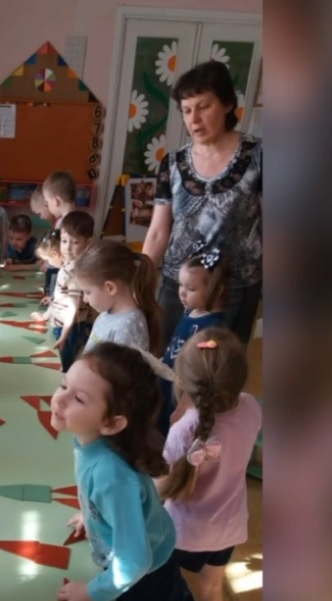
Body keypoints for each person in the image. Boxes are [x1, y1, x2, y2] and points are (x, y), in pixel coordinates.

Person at [52, 343, 204, 601]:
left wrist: (91, 593)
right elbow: (115, 501)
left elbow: (134, 562)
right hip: (148, 558)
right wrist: (92, 516)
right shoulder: (92, 442)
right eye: (63, 385)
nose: (59, 400)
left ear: (112, 423)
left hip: (143, 579)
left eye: (78, 398)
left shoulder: (111, 474)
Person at [154, 329, 261, 601]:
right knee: (212, 591)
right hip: (227, 528)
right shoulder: (251, 407)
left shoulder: (184, 430)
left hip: (181, 533)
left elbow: (162, 485)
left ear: (183, 382)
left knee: (163, 593)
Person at [142, 60, 262, 349]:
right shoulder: (172, 163)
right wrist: (138, 285)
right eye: (186, 110)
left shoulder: (260, 156)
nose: (194, 119)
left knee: (215, 369)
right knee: (164, 360)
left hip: (231, 290)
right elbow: (158, 232)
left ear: (228, 104)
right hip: (177, 286)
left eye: (203, 107)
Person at [157, 245, 229, 435]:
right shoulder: (191, 311)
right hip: (169, 383)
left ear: (216, 289)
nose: (181, 292)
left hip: (182, 395)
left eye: (190, 288)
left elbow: (201, 375)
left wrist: (182, 407)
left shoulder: (213, 329)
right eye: (181, 285)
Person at [74, 240, 161, 355]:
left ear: (110, 288)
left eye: (87, 292)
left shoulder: (128, 329)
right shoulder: (107, 312)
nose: (85, 299)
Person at [32, 210, 93, 372]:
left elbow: (72, 307)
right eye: (64, 241)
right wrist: (53, 303)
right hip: (64, 325)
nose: (67, 248)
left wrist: (65, 335)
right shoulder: (69, 265)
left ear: (88, 243)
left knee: (62, 368)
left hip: (69, 328)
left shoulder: (74, 271)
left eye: (75, 242)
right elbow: (67, 296)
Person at [42, 171, 77, 298]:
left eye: (47, 202)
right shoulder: (77, 219)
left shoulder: (65, 223)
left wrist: (48, 260)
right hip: (68, 271)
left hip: (63, 272)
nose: (47, 206)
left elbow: (60, 251)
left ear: (56, 201)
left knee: (56, 299)